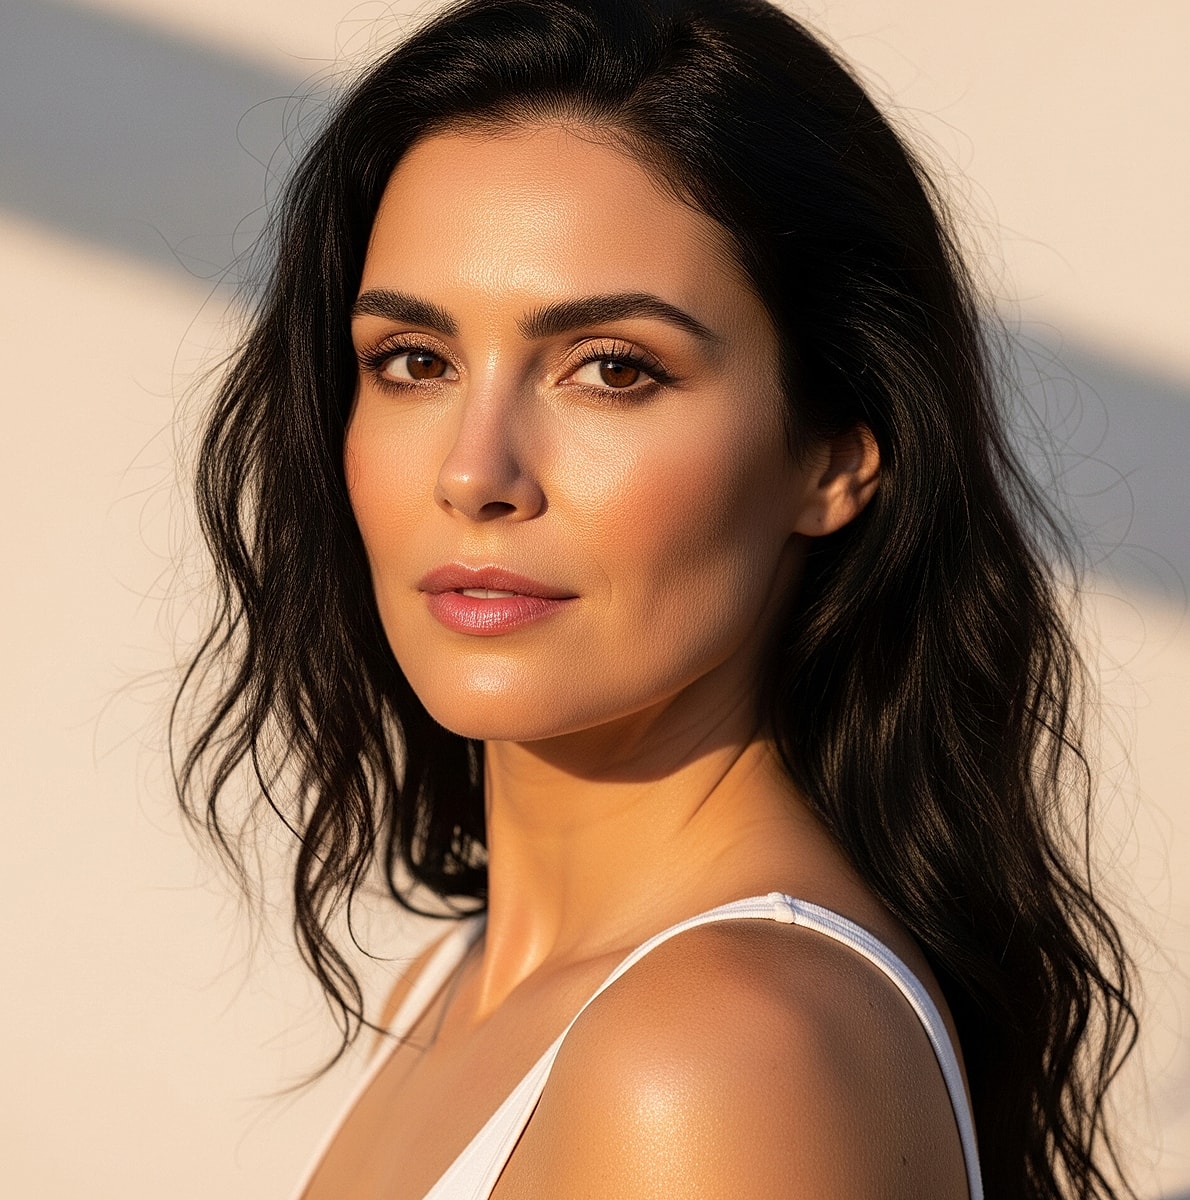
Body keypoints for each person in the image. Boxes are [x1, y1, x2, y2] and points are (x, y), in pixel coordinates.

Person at [174, 0, 1139, 1196]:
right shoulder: (459, 979)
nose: (474, 471)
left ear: (834, 453)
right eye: (412, 362)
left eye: (611, 369)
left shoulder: (714, 1055)